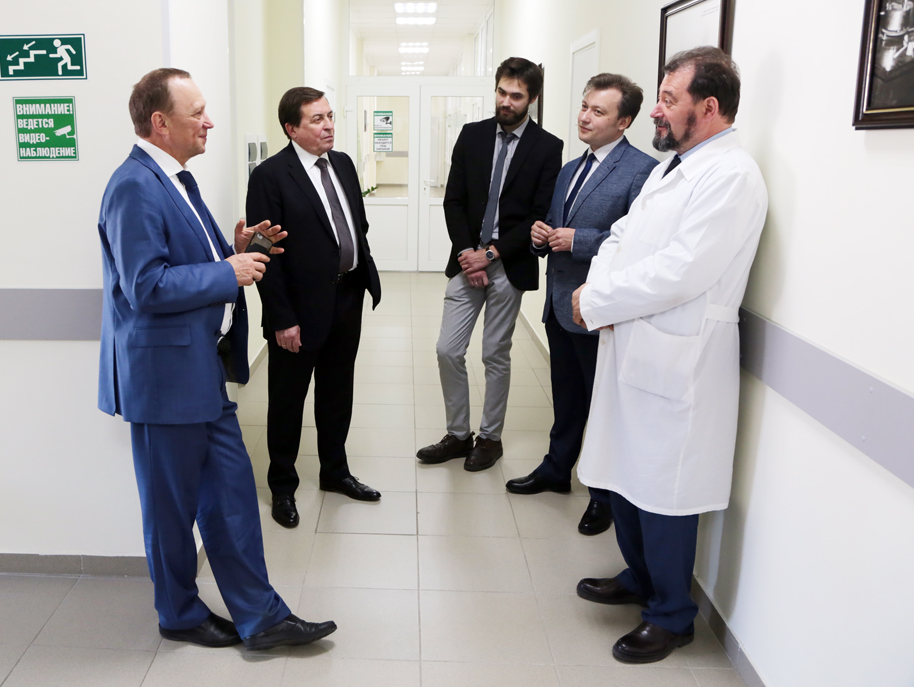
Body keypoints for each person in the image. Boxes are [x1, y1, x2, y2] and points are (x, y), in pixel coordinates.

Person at [98, 68, 335, 650]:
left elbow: (187, 262)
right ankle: (178, 613)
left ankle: (261, 617)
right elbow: (145, 286)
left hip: (201, 369)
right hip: (163, 378)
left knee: (231, 495)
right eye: (197, 112)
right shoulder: (133, 185)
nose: (209, 122)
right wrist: (228, 271)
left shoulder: (177, 180)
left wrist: (236, 249)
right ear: (160, 123)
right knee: (171, 509)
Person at [571, 47, 768, 664]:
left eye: (667, 99)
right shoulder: (670, 170)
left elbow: (682, 271)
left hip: (680, 359)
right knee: (627, 476)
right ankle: (640, 578)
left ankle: (672, 615)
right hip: (633, 343)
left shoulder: (732, 176)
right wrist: (595, 289)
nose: (656, 110)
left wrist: (597, 298)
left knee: (664, 491)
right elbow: (621, 237)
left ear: (707, 108)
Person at [505, 74, 658, 538]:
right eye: (584, 106)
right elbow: (555, 226)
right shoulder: (571, 168)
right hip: (560, 304)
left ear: (624, 121)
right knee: (567, 398)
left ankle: (603, 495)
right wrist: (540, 236)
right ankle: (557, 468)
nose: (585, 117)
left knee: (604, 407)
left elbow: (637, 244)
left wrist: (579, 240)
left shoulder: (643, 171)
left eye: (598, 111)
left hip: (601, 310)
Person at [416, 57, 562, 472]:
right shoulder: (472, 135)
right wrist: (469, 253)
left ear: (532, 99)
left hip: (508, 264)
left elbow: (538, 215)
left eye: (516, 95)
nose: (506, 101)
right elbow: (454, 200)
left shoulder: (547, 147)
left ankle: (490, 438)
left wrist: (491, 254)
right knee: (447, 349)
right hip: (467, 261)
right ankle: (458, 435)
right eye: (501, 92)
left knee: (495, 352)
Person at [246, 87, 382, 529]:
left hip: (347, 297)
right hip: (299, 310)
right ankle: (282, 486)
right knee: (288, 400)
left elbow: (356, 224)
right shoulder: (270, 176)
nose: (328, 126)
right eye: (317, 119)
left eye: (330, 116)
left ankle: (335, 472)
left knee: (337, 392)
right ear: (291, 128)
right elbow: (263, 254)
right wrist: (282, 319)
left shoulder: (342, 164)